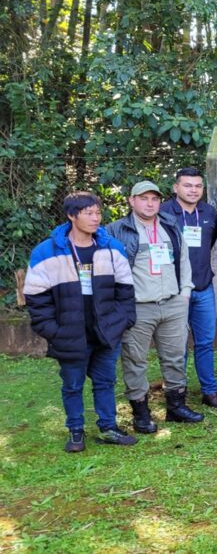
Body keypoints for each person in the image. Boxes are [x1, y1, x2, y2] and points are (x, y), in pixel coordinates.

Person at [23, 192, 138, 451]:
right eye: (89, 213)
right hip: (70, 334)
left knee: (105, 381)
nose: (96, 218)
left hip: (106, 332)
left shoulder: (111, 248)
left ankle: (108, 427)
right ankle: (76, 431)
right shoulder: (46, 251)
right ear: (71, 216)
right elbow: (35, 298)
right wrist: (54, 331)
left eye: (98, 213)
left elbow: (125, 291)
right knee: (72, 385)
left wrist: (122, 321)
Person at [107, 181, 203, 431]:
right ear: (131, 201)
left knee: (174, 357)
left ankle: (176, 407)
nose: (150, 204)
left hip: (172, 304)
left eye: (154, 199)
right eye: (144, 198)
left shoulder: (170, 226)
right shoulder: (116, 230)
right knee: (135, 360)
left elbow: (184, 261)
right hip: (138, 307)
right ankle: (141, 414)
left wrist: (184, 293)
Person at [161, 168, 217, 408]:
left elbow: (211, 242)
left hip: (203, 286)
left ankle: (209, 392)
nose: (193, 190)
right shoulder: (164, 212)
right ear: (176, 187)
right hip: (175, 290)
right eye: (187, 185)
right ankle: (178, 391)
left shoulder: (208, 212)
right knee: (177, 344)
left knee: (205, 343)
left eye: (198, 186)